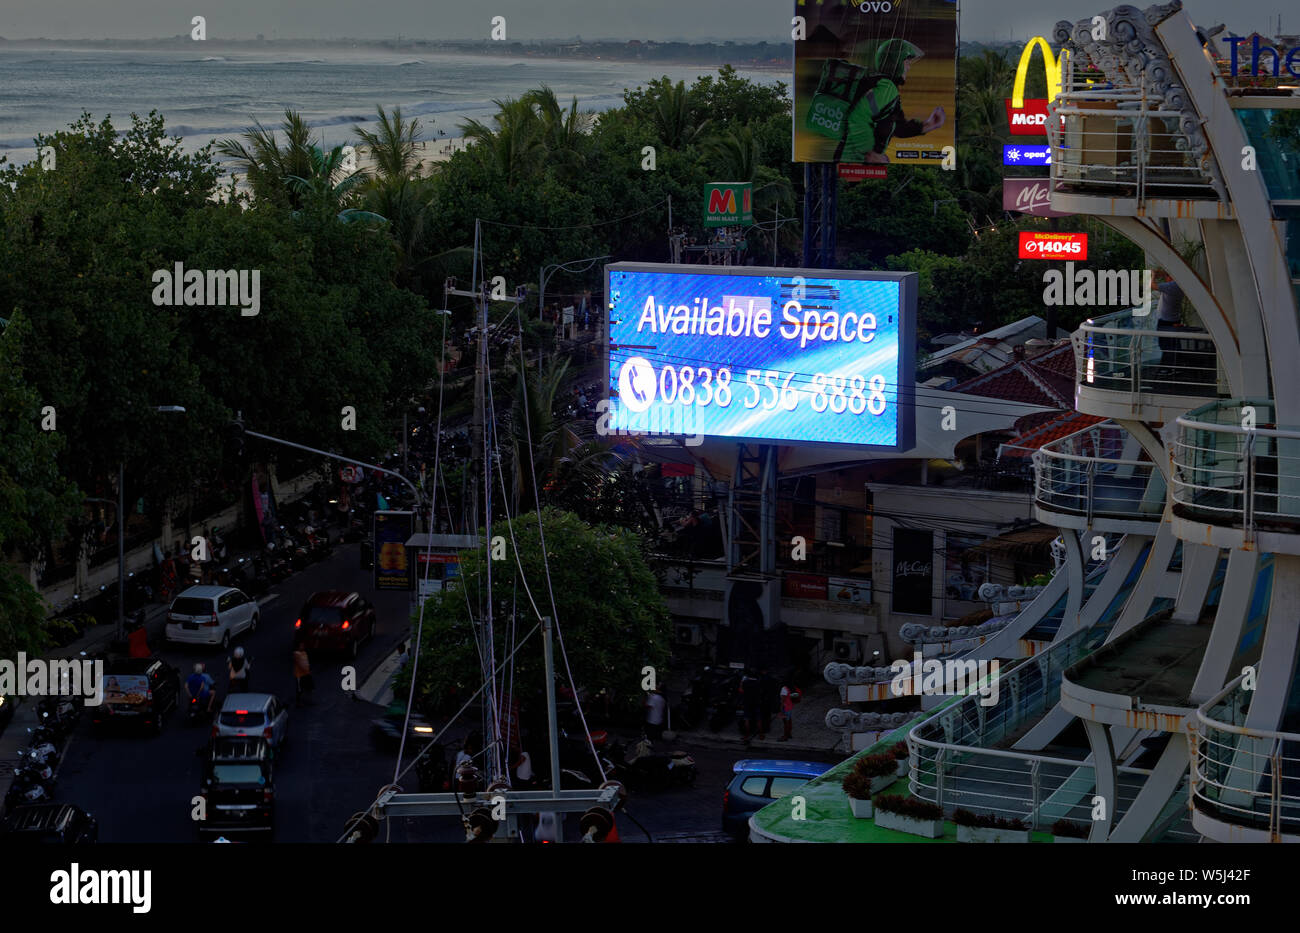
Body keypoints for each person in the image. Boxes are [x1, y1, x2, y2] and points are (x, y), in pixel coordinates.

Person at [292, 636, 313, 706]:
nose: (303, 646)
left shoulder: (304, 653)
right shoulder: (296, 654)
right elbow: (301, 664)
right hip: (299, 675)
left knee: (308, 688)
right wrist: (307, 670)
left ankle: (307, 701)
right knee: (299, 689)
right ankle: (298, 702)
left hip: (306, 674)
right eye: (301, 645)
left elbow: (306, 662)